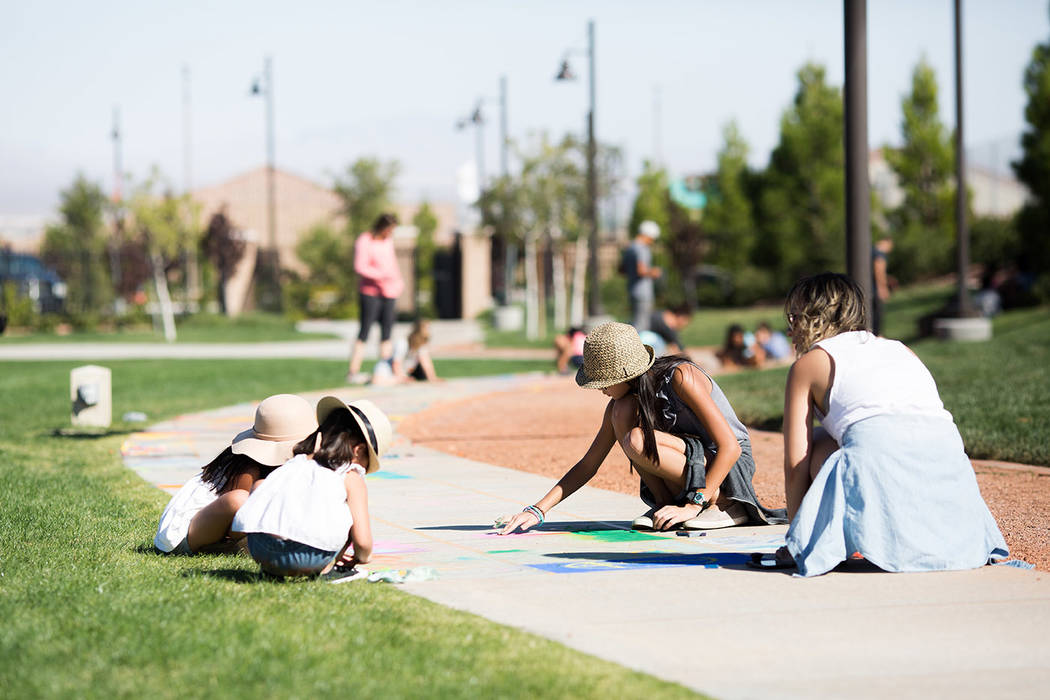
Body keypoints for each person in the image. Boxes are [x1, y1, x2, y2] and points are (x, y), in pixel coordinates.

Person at [751, 273, 1007, 575]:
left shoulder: (809, 365)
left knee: (820, 446)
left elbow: (796, 463)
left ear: (814, 317)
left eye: (794, 317)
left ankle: (863, 534)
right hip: (951, 476)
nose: (789, 328)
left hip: (881, 465)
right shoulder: (901, 349)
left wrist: (797, 540)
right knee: (850, 442)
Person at [498, 322, 785, 535]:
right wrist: (538, 509)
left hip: (728, 470)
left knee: (637, 438)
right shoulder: (625, 404)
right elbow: (589, 464)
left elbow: (730, 446)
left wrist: (695, 504)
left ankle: (726, 506)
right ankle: (664, 505)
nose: (601, 391)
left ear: (626, 374)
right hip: (694, 466)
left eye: (604, 383)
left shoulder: (681, 377)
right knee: (622, 417)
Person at [232, 397, 392, 579]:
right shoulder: (350, 475)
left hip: (260, 549)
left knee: (265, 487)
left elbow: (260, 488)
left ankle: (271, 571)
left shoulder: (296, 463)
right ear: (359, 451)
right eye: (367, 462)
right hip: (306, 558)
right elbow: (363, 543)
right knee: (347, 510)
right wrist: (362, 557)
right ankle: (327, 572)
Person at [153, 394, 318, 555]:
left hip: (219, 526)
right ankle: (227, 546)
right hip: (183, 534)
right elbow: (244, 514)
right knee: (239, 500)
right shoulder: (248, 466)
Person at [347, 213, 403, 384]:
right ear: (382, 226)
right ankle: (353, 371)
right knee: (364, 331)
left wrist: (398, 281)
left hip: (389, 292)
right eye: (389, 229)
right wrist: (381, 276)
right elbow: (360, 267)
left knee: (387, 332)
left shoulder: (388, 242)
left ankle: (383, 368)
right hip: (370, 292)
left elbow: (392, 264)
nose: (390, 233)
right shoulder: (365, 240)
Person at [371, 318, 441, 385]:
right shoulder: (402, 343)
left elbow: (426, 362)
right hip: (388, 369)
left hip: (403, 372)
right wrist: (402, 379)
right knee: (377, 382)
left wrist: (432, 378)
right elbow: (396, 364)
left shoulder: (421, 345)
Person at [623, 220, 662, 331]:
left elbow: (621, 269)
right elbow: (641, 270)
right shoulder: (641, 248)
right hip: (642, 292)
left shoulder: (630, 247)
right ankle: (637, 348)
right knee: (641, 325)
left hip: (632, 290)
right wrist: (654, 272)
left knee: (635, 321)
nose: (652, 241)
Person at [871, 235, 894, 335]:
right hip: (874, 290)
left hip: (868, 289)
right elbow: (879, 270)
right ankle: (877, 335)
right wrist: (882, 288)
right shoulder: (879, 254)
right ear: (888, 243)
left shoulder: (871, 250)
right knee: (877, 317)